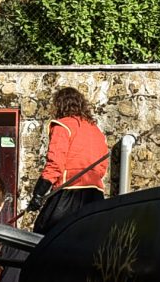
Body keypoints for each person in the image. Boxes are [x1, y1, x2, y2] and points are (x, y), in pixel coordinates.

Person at [29, 87, 109, 233]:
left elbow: (55, 163)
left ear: (60, 105)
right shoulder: (97, 132)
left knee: (44, 235)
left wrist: (38, 193)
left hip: (69, 193)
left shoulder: (63, 125)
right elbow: (102, 168)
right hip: (96, 195)